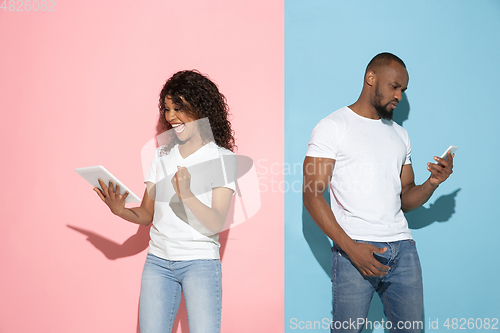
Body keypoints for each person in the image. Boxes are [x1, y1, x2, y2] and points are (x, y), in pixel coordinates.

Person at [302, 53, 454, 333]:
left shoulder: (400, 135)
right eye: (394, 86)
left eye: (403, 90)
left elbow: (406, 198)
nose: (399, 96)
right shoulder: (332, 127)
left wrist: (433, 182)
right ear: (371, 78)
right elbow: (312, 196)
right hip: (355, 248)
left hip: (404, 250)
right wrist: (351, 250)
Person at [93, 70, 237, 333]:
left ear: (201, 108)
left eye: (178, 108)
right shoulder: (161, 155)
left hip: (200, 263)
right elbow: (147, 215)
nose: (171, 117)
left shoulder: (223, 159)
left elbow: (216, 222)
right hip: (158, 262)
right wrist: (121, 210)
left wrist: (188, 195)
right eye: (167, 109)